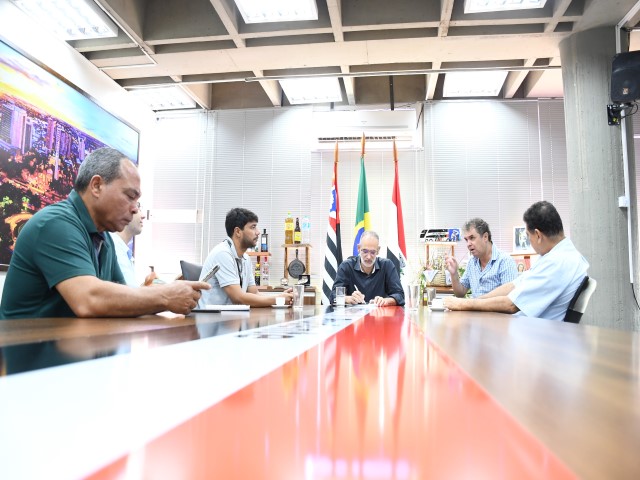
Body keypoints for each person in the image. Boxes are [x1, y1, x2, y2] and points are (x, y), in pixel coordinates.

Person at [0, 147, 209, 320]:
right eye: (130, 196)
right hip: (26, 360)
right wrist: (165, 295)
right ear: (97, 186)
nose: (136, 209)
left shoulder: (104, 239)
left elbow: (125, 300)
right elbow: (89, 299)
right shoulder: (56, 223)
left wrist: (174, 292)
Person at [443, 201, 589, 321]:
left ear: (537, 235)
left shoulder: (558, 262)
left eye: (527, 236)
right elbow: (514, 285)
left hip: (531, 335)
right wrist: (474, 301)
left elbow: (512, 304)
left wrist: (464, 304)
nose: (468, 243)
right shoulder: (554, 256)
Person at [198, 208, 292, 307]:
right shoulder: (222, 254)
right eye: (253, 227)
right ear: (238, 231)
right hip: (211, 318)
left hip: (230, 317)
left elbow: (254, 293)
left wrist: (281, 297)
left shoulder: (245, 258)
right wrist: (279, 299)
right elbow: (238, 298)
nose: (258, 232)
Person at [445, 218, 518, 298]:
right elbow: (460, 293)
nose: (468, 244)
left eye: (472, 238)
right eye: (466, 240)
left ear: (485, 237)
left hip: (495, 310)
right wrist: (454, 274)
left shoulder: (505, 261)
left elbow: (510, 297)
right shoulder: (471, 262)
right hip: (474, 310)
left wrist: (475, 303)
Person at [330, 231, 404, 307]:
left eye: (372, 252)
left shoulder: (387, 265)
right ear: (359, 248)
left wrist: (386, 301)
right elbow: (333, 296)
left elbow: (400, 296)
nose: (368, 257)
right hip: (353, 316)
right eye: (365, 251)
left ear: (378, 250)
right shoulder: (346, 266)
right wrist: (348, 299)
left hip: (380, 316)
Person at [108, 204, 157, 287]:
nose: (143, 216)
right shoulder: (115, 250)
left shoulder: (121, 249)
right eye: (139, 208)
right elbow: (128, 295)